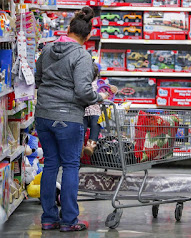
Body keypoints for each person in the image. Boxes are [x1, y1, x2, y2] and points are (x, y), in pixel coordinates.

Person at [35, 7, 109, 232]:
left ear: (68, 29)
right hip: (68, 118)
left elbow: (38, 79)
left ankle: (48, 218)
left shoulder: (47, 50)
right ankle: (68, 220)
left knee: (50, 165)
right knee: (69, 166)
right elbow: (84, 92)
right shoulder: (82, 56)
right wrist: (100, 96)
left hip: (44, 115)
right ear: (87, 37)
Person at [82, 64, 118, 156]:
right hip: (83, 112)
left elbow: (110, 91)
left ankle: (91, 145)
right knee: (82, 128)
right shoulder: (82, 82)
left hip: (95, 112)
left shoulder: (100, 84)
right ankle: (80, 147)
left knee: (96, 125)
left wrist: (113, 90)